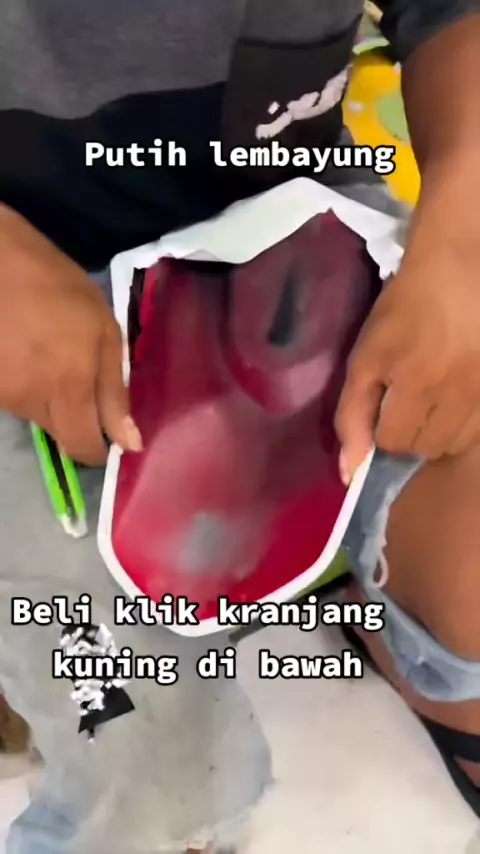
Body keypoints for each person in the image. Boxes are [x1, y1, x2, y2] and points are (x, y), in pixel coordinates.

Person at [0, 1, 480, 852]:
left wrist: (462, 250)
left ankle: (414, 649)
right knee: (154, 793)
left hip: (299, 233)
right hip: (28, 303)